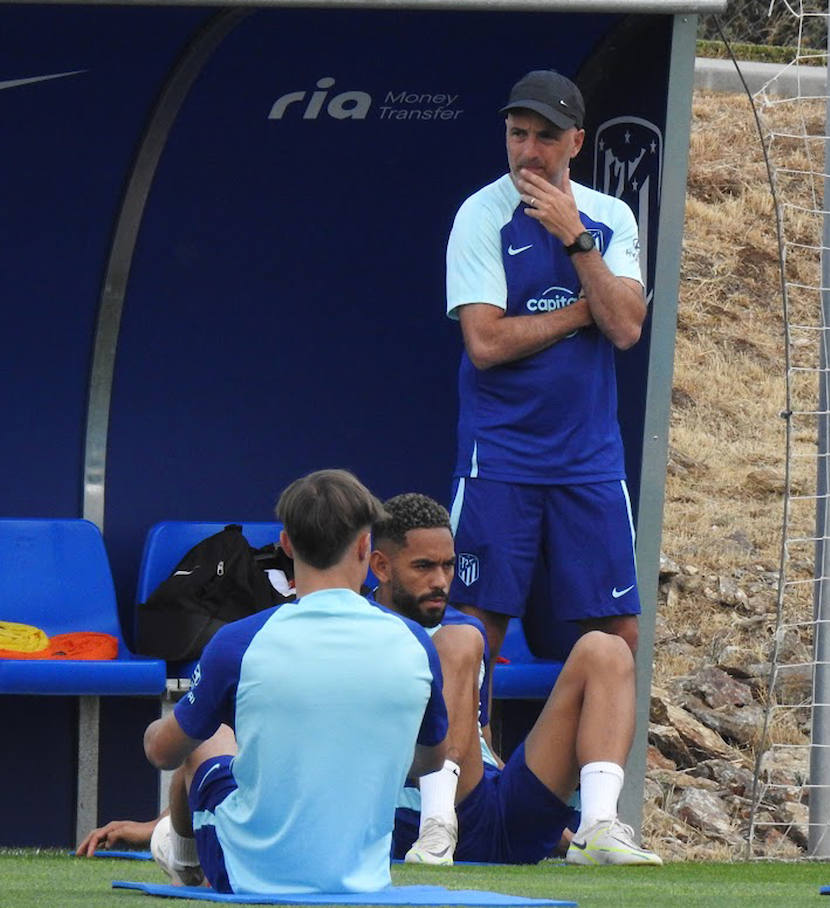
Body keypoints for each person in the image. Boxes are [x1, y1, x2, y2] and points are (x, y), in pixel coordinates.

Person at [140, 470, 448, 893]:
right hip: (363, 880)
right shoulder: (416, 644)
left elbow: (163, 752)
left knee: (206, 740)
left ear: (286, 543)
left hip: (247, 873)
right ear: (365, 546)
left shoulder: (238, 642)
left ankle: (182, 859)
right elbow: (432, 761)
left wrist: (157, 730)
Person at [444, 68, 646, 680]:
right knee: (475, 628)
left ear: (576, 144)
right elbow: (485, 342)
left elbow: (628, 329)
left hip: (589, 460)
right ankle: (464, 769)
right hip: (500, 457)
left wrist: (575, 239)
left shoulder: (610, 218)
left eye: (545, 137)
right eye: (517, 134)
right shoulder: (481, 216)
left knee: (618, 633)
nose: (528, 152)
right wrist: (583, 309)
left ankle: (598, 774)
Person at [370, 493, 661, 867]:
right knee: (461, 639)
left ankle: (598, 827)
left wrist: (553, 829)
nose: (440, 581)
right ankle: (436, 826)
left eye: (448, 566)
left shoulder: (464, 628)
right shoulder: (357, 632)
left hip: (490, 806)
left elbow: (481, 739)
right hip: (416, 814)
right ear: (381, 566)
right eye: (424, 567)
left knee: (607, 648)